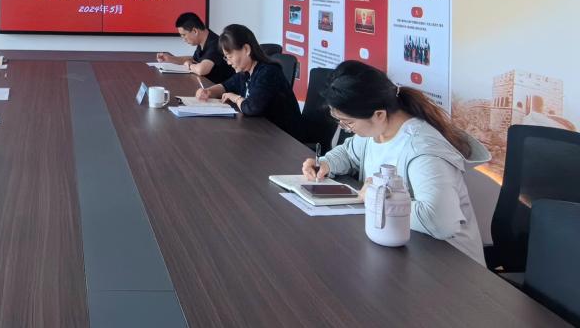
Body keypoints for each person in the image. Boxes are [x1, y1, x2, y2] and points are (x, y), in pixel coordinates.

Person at [300, 60, 487, 264]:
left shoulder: (422, 150)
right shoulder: (377, 131)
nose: (347, 130)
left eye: (349, 123)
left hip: (449, 262)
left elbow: (439, 221)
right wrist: (326, 164)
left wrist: (376, 199)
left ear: (379, 114)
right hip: (401, 243)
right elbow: (348, 153)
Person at [195, 24, 303, 139]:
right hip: (265, 132)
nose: (228, 62)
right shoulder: (245, 72)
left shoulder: (268, 72)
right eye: (226, 57)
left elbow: (251, 108)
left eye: (230, 56)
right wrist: (208, 92)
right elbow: (225, 86)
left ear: (246, 49)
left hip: (287, 138)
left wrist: (235, 98)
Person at [156, 12, 232, 84]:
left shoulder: (215, 43)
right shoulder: (203, 40)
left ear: (195, 31)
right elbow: (194, 59)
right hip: (207, 85)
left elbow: (202, 70)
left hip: (221, 90)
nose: (184, 40)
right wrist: (170, 58)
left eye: (184, 35)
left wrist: (189, 65)